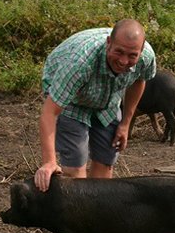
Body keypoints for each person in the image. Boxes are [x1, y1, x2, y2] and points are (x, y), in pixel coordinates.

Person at [34, 19, 155, 192]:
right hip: (71, 100)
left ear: (141, 52)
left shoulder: (146, 57)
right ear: (108, 43)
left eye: (131, 56)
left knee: (105, 166)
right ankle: (76, 216)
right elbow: (49, 112)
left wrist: (126, 124)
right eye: (119, 51)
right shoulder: (79, 64)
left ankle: (95, 215)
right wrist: (49, 162)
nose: (123, 61)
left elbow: (139, 81)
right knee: (75, 171)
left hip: (107, 99)